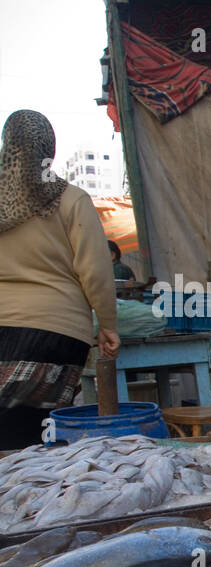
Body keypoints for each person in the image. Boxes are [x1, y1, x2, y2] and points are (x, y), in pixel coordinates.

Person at [0, 110, 119, 448]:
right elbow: (95, 271)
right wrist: (107, 325)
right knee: (36, 437)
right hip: (57, 332)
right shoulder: (70, 199)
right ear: (49, 148)